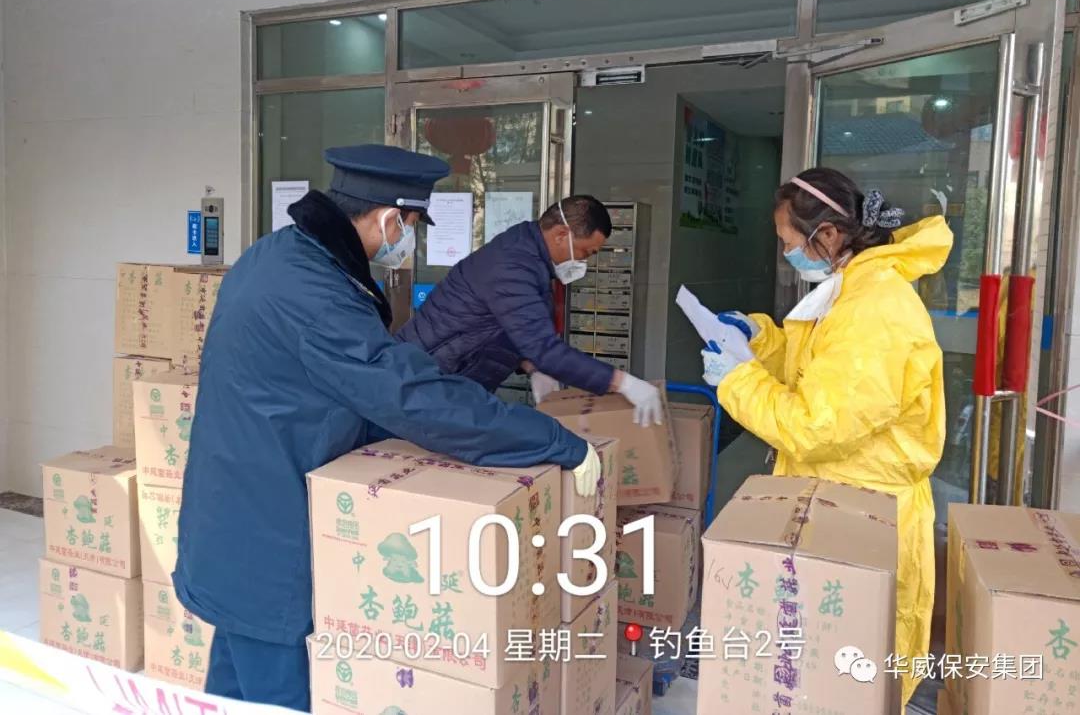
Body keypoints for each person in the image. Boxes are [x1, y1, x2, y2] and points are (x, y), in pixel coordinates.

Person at [173, 145, 602, 711]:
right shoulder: (312, 290)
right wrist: (554, 442)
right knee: (278, 686)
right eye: (412, 226)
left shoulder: (281, 254)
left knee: (236, 679)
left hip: (237, 507)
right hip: (265, 524)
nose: (409, 240)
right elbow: (409, 395)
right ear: (389, 219)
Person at [700, 168, 951, 707]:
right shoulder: (851, 288)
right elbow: (814, 372)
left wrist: (737, 381)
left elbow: (819, 424)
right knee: (815, 674)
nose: (786, 252)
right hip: (839, 503)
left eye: (788, 240)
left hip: (864, 516)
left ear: (829, 235)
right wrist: (757, 339)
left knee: (852, 682)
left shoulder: (874, 309)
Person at [396, 195, 662, 425]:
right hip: (418, 383)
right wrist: (623, 383)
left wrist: (532, 366)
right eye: (586, 252)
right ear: (562, 235)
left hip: (446, 383)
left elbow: (506, 324)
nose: (584, 261)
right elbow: (544, 348)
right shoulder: (512, 266)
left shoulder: (529, 257)